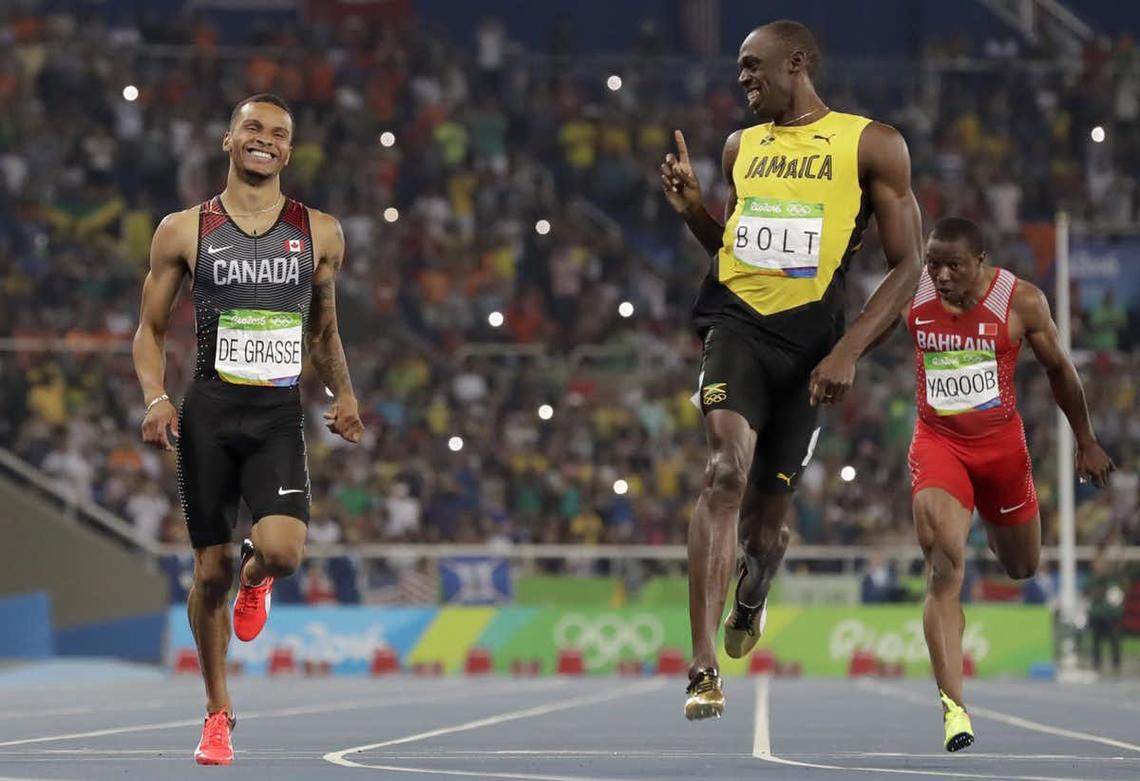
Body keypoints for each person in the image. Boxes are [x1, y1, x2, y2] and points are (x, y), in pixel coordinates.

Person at [660, 19, 923, 720]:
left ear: (796, 62)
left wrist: (847, 352)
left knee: (766, 528)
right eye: (739, 71)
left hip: (813, 348)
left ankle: (753, 589)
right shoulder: (739, 148)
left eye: (752, 67)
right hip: (736, 328)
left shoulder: (872, 143)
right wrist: (695, 214)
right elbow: (738, 252)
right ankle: (701, 663)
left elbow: (910, 265)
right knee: (723, 471)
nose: (742, 80)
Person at [133, 93, 363, 765]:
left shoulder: (321, 232)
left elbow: (323, 329)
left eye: (278, 133)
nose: (264, 139)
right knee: (207, 575)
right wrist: (154, 398)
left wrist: (344, 392)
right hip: (208, 411)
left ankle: (256, 575)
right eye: (253, 128)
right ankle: (217, 712)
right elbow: (147, 329)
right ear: (229, 139)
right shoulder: (184, 229)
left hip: (275, 415)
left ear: (289, 150)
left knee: (285, 551)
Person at [903, 217, 1114, 751]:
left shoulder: (1021, 301)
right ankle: (954, 707)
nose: (942, 277)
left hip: (1002, 453)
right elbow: (863, 323)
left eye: (954, 266)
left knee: (1022, 567)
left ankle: (1001, 536)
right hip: (938, 442)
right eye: (934, 265)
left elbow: (1061, 371)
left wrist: (1085, 440)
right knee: (944, 566)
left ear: (981, 260)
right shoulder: (912, 288)